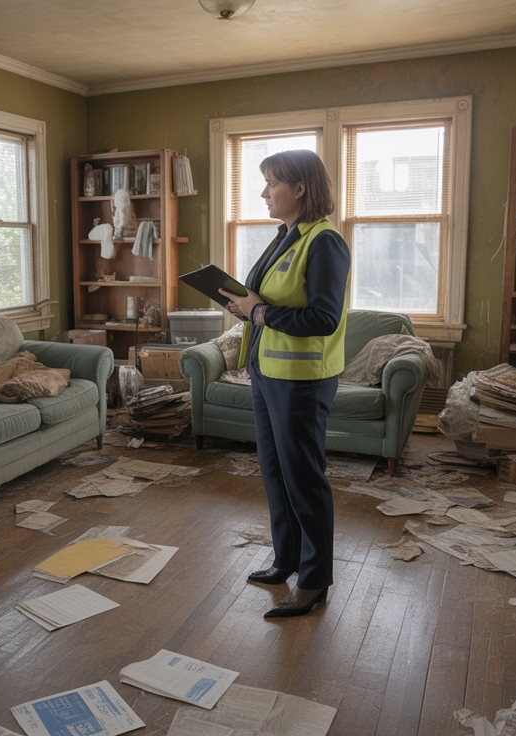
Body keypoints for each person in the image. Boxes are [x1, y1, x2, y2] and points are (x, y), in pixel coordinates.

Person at [218, 149, 350, 619]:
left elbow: (322, 317)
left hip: (301, 380)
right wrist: (245, 304)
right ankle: (287, 559)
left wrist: (256, 310)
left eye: (272, 183)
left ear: (300, 189)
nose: (263, 192)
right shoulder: (285, 237)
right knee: (275, 473)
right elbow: (264, 299)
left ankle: (315, 580)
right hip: (267, 373)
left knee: (304, 478)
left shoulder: (324, 241)